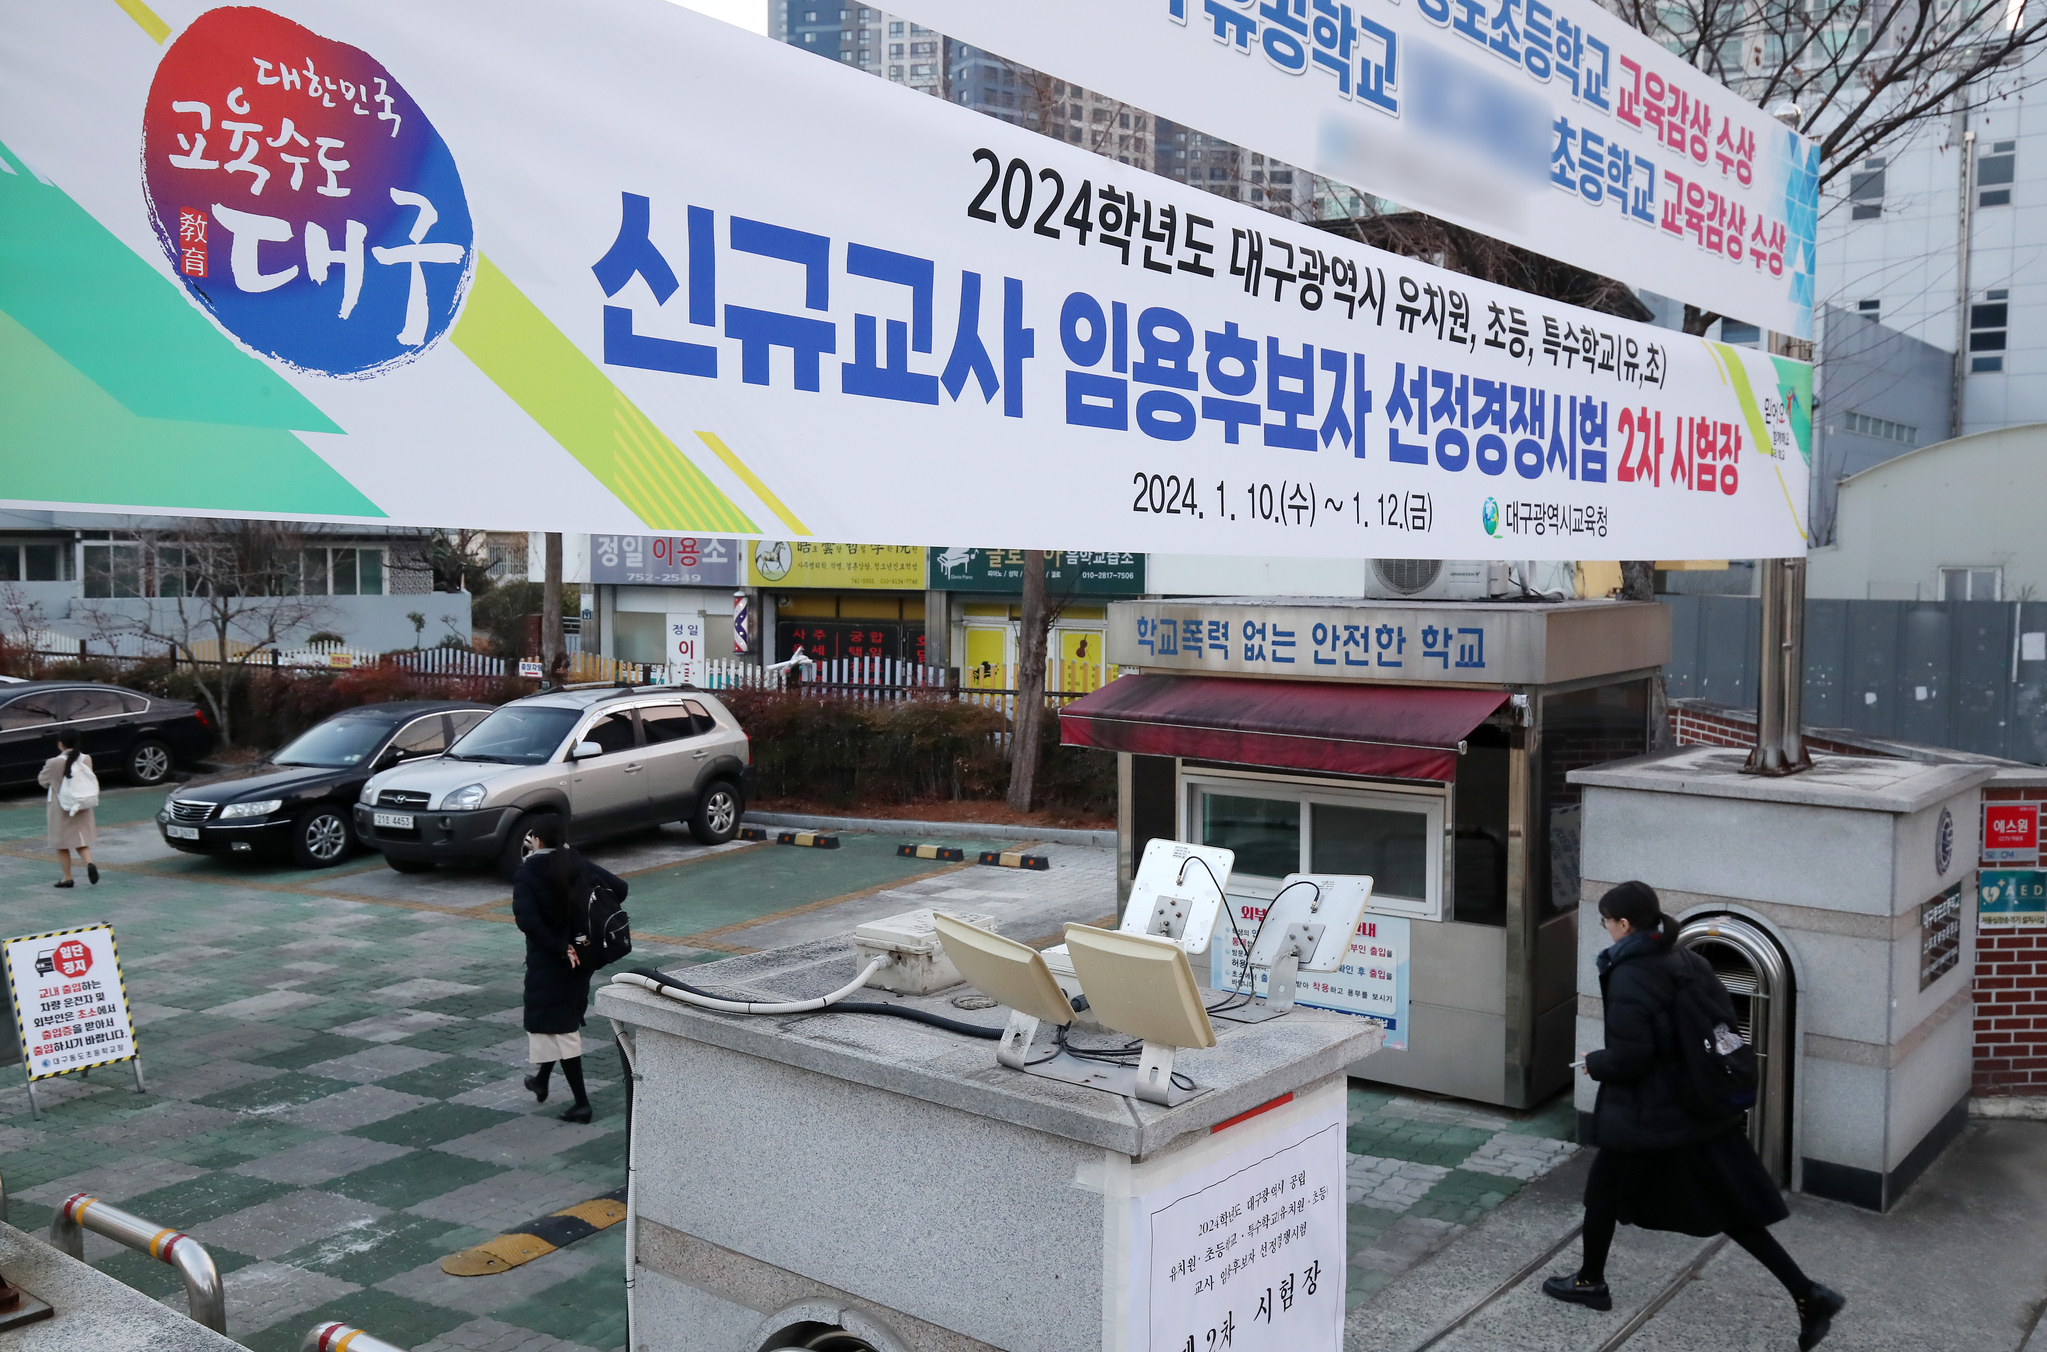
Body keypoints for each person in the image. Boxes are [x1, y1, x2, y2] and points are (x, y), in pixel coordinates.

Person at [1545, 881, 1845, 1350]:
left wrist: (1593, 1062)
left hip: (1652, 1114)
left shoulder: (1631, 974)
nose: (1605, 929)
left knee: (1607, 1193)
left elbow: (1632, 1057)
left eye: (1606, 921)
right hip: (1694, 1105)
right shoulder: (1687, 958)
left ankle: (1591, 1282)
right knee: (1713, 1207)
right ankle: (1807, 1293)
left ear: (1623, 925)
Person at [512, 816, 626, 1124]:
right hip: (583, 957)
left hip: (552, 959)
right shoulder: (575, 863)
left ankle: (581, 1104)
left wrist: (560, 947)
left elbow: (528, 921)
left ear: (536, 840)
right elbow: (620, 888)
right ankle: (541, 1080)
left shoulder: (529, 873)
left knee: (561, 1029)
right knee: (559, 1018)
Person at [39, 735, 98, 889]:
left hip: (62, 807)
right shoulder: (86, 759)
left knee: (62, 844)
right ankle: (89, 862)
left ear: (61, 745)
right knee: (81, 839)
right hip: (82, 804)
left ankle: (67, 878)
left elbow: (43, 780)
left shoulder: (53, 763)